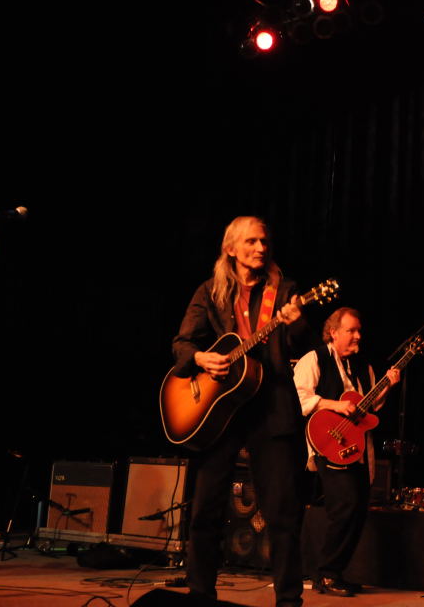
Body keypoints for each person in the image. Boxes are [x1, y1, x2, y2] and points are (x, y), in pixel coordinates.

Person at [172, 216, 310, 607]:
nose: (261, 248)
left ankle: (289, 601)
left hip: (272, 408)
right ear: (231, 248)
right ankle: (200, 595)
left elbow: (304, 342)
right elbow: (182, 343)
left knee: (282, 515)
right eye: (251, 241)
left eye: (264, 241)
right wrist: (202, 358)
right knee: (205, 511)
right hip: (221, 411)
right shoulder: (210, 291)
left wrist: (297, 323)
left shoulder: (285, 290)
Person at [293, 307, 400, 598]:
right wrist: (335, 405)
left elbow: (371, 407)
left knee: (358, 509)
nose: (357, 336)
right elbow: (298, 397)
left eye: (359, 330)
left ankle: (334, 572)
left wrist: (388, 385)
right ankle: (326, 573)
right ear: (333, 333)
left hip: (357, 448)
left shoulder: (363, 366)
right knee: (345, 506)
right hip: (328, 444)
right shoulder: (314, 359)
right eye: (351, 330)